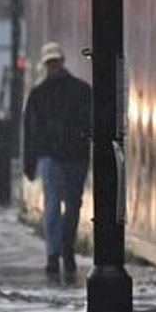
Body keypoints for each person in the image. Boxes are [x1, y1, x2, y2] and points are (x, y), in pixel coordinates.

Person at [22, 41, 92, 280]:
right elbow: (30, 130)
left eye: (55, 62)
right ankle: (60, 252)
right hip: (64, 156)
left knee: (68, 204)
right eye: (50, 62)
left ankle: (60, 251)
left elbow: (30, 130)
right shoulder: (80, 91)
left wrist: (30, 162)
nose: (53, 66)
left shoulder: (40, 94)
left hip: (65, 155)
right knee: (60, 203)